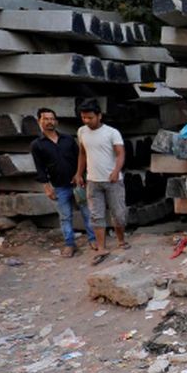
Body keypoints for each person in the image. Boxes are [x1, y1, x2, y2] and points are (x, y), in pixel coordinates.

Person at [30, 107, 96, 257]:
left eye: (52, 119)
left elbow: (80, 158)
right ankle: (70, 244)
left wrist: (80, 175)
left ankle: (93, 239)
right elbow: (40, 168)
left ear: (56, 121)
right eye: (45, 119)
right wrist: (47, 187)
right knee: (65, 216)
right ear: (39, 121)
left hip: (78, 183)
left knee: (87, 212)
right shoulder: (37, 145)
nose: (49, 122)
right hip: (59, 186)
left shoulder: (68, 139)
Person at [73, 100, 128, 262]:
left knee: (118, 213)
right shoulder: (81, 132)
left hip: (113, 181)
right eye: (84, 118)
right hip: (92, 181)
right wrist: (78, 173)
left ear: (99, 116)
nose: (86, 121)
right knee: (96, 215)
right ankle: (102, 247)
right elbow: (82, 154)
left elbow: (120, 153)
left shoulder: (112, 133)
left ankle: (121, 240)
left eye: (90, 117)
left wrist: (116, 171)